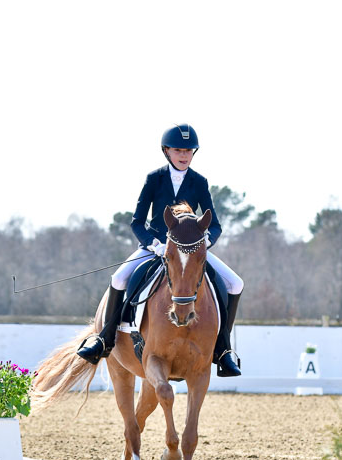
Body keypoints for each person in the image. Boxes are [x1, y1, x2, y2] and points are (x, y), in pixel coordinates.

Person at [77, 124, 243, 377]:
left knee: (235, 284)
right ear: (166, 151)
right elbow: (137, 222)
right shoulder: (154, 179)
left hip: (190, 249)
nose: (184, 155)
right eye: (178, 150)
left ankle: (224, 350)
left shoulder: (199, 182)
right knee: (119, 278)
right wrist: (155, 245)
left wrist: (204, 244)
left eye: (188, 150)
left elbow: (215, 225)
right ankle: (104, 339)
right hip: (156, 246)